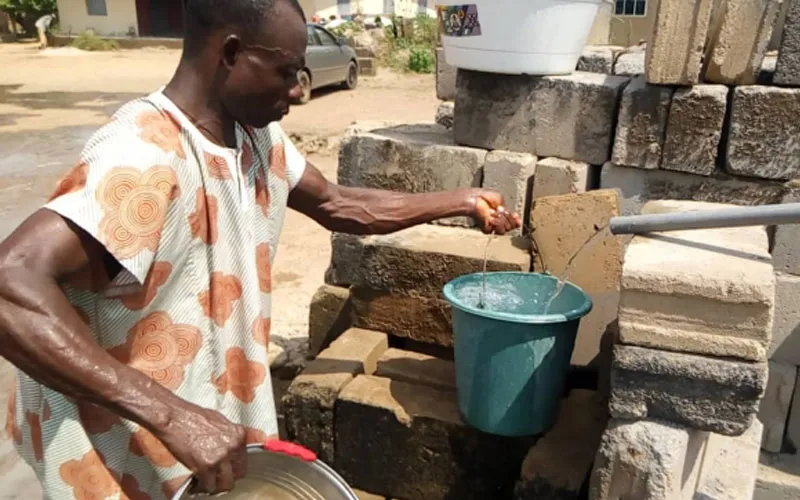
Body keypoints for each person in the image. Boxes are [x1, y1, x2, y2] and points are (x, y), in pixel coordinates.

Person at [0, 0, 521, 498]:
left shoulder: (254, 137)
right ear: (229, 53)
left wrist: (462, 200)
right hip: (117, 441)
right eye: (286, 71)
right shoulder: (143, 158)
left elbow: (341, 205)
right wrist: (170, 415)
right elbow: (10, 284)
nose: (298, 90)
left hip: (197, 432)